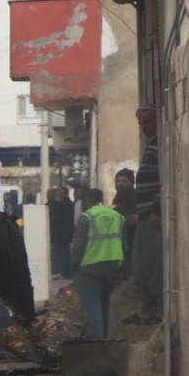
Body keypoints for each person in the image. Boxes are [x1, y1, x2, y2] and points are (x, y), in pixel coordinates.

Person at [69, 188, 123, 339]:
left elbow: (78, 247)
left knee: (93, 307)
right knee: (105, 305)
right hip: (111, 267)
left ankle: (98, 343)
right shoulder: (117, 216)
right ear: (102, 199)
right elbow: (124, 244)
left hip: (89, 268)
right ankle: (107, 338)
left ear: (87, 201)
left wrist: (73, 265)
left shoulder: (86, 217)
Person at [127, 105, 162, 324]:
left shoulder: (161, 145)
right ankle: (146, 308)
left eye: (147, 122)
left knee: (154, 265)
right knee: (140, 266)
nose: (144, 127)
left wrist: (156, 210)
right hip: (143, 217)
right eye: (141, 123)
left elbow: (164, 180)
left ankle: (158, 309)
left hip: (152, 217)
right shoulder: (151, 146)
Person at [111, 167, 137, 274]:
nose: (120, 184)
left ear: (131, 182)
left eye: (124, 181)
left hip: (134, 241)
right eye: (118, 181)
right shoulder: (117, 198)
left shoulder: (136, 196)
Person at [47, 186, 75, 278]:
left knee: (64, 254)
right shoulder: (56, 204)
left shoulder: (68, 205)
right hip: (58, 234)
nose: (59, 195)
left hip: (64, 234)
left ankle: (65, 272)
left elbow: (64, 219)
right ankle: (61, 271)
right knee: (59, 253)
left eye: (61, 193)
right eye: (58, 193)